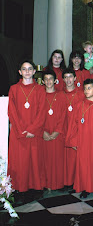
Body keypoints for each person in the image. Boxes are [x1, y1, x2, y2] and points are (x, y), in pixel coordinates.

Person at [8, 60, 46, 202]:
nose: (27, 71)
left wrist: (32, 130)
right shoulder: (14, 89)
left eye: (30, 69)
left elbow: (42, 112)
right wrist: (20, 130)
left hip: (34, 132)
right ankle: (19, 188)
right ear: (20, 72)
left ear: (34, 72)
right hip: (19, 134)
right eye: (24, 69)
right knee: (20, 162)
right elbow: (12, 111)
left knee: (35, 161)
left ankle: (35, 188)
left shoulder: (40, 89)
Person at [66, 79, 93, 198]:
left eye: (89, 88)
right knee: (83, 164)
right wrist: (73, 140)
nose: (86, 91)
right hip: (83, 140)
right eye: (85, 88)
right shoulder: (79, 105)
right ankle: (85, 187)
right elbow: (73, 124)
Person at [41, 69, 67, 190]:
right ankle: (45, 184)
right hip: (44, 132)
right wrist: (43, 131)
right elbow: (37, 115)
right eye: (46, 79)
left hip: (58, 133)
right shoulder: (40, 95)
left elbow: (63, 114)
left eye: (50, 79)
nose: (48, 81)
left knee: (57, 159)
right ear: (42, 81)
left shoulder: (61, 95)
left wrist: (57, 131)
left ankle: (57, 184)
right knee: (45, 159)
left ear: (55, 80)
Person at [62, 68, 85, 189]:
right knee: (64, 158)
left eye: (70, 77)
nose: (68, 80)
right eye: (65, 77)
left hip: (77, 129)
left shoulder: (81, 94)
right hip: (63, 128)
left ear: (75, 78)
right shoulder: (60, 94)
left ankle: (76, 182)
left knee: (76, 157)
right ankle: (66, 181)